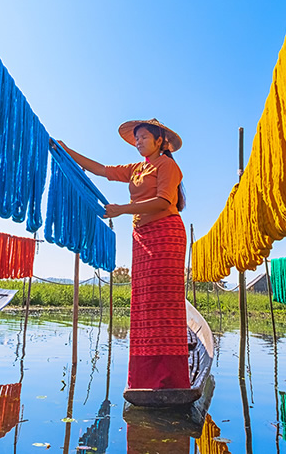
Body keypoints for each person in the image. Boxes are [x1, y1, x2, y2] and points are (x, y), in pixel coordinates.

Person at [57, 118, 189, 390]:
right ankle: (146, 379)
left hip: (165, 235)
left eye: (143, 137)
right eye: (137, 138)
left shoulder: (167, 165)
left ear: (159, 141)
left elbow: (165, 201)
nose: (138, 142)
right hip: (141, 237)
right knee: (143, 304)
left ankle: (170, 379)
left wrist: (121, 210)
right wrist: (67, 150)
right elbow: (103, 170)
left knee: (163, 302)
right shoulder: (137, 168)